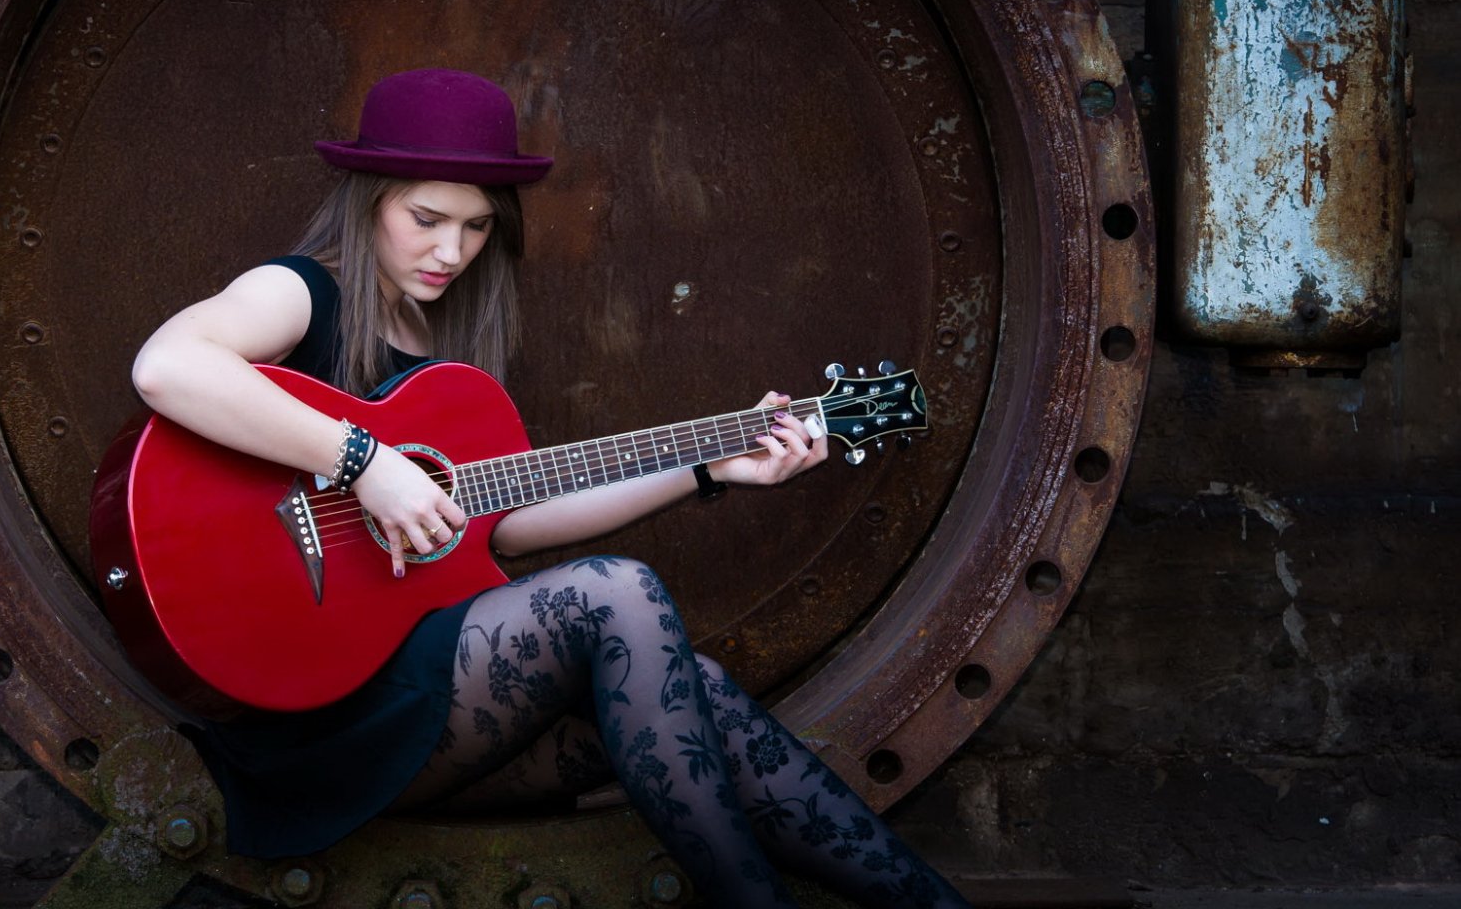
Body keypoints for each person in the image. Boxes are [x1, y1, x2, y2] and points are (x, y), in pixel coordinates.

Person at [128, 69, 970, 908]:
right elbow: (167, 368)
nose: (450, 252)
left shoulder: (440, 343)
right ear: (368, 197)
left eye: (476, 227)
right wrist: (367, 462)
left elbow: (505, 526)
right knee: (619, 591)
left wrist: (711, 466)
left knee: (695, 689)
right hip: (309, 713)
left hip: (418, 704)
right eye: (425, 219)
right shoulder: (302, 290)